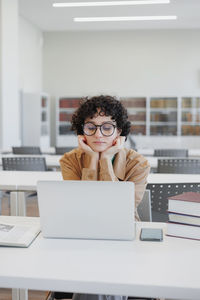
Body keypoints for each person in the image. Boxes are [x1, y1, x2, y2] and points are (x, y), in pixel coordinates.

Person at [59, 95, 150, 300]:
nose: (98, 134)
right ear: (82, 130)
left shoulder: (138, 164)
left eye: (107, 127)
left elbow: (118, 211)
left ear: (119, 132)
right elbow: (80, 207)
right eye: (91, 127)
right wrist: (91, 160)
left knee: (100, 275)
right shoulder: (70, 160)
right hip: (80, 235)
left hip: (123, 238)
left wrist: (106, 160)